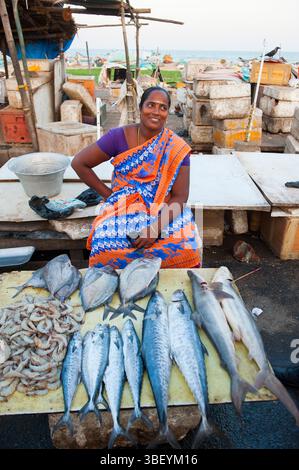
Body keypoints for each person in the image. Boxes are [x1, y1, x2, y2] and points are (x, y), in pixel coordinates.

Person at [72, 86, 201, 269]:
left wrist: (155, 228)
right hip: (123, 205)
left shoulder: (177, 148)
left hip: (164, 208)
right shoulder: (118, 137)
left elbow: (180, 197)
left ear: (167, 113)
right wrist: (109, 196)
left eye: (163, 107)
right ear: (141, 108)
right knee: (105, 247)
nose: (156, 112)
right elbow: (79, 163)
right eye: (151, 105)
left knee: (186, 248)